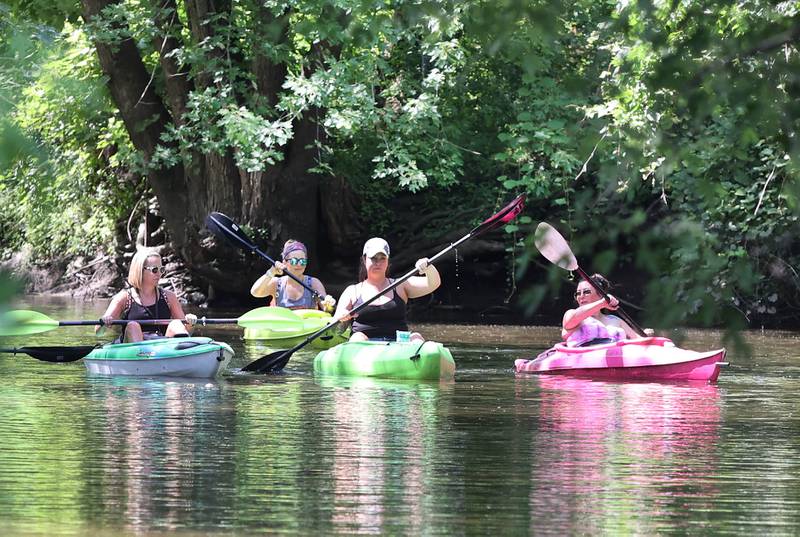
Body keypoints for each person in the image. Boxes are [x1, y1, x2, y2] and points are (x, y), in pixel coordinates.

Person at [334, 237, 441, 342]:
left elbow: (433, 284)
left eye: (382, 258)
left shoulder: (401, 285)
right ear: (364, 259)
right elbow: (336, 330)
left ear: (388, 260)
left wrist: (428, 267)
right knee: (357, 337)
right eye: (373, 258)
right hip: (364, 347)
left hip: (398, 346)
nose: (378, 263)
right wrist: (342, 317)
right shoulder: (352, 291)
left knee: (416, 337)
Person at [95, 248, 197, 342]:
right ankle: (141, 356)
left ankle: (183, 355)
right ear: (140, 271)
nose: (159, 274)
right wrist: (104, 322)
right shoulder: (124, 298)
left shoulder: (169, 297)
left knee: (176, 323)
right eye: (154, 270)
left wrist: (190, 324)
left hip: (163, 348)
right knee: (133, 326)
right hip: (134, 349)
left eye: (161, 269)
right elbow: (99, 333)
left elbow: (187, 331)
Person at [250, 239, 336, 312]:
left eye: (302, 261)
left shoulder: (313, 283)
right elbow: (255, 292)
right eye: (294, 261)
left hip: (307, 328)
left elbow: (326, 308)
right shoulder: (277, 284)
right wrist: (271, 272)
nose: (299, 265)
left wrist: (329, 304)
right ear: (285, 262)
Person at [561, 274, 639, 347]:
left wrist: (647, 336)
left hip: (616, 358)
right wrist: (602, 303)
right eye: (578, 293)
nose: (581, 296)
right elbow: (574, 318)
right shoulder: (571, 314)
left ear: (601, 295)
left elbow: (638, 340)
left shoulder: (616, 320)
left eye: (586, 292)